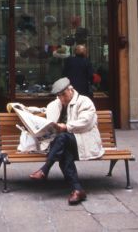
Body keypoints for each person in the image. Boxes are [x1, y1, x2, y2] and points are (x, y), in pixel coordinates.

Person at [28, 77, 104, 205]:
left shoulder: (84, 102)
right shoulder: (56, 103)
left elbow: (86, 122)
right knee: (64, 153)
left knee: (62, 137)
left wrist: (66, 126)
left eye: (64, 94)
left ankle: (44, 170)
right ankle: (77, 190)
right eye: (59, 95)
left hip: (83, 142)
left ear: (71, 89)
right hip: (64, 145)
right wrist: (29, 110)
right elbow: (46, 111)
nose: (62, 98)